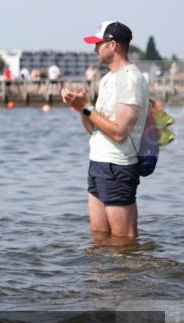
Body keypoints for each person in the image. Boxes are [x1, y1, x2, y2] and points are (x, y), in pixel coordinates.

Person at [60, 21, 149, 240]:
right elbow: (93, 129)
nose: (94, 49)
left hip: (118, 165)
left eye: (98, 43)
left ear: (113, 45)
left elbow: (119, 132)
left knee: (123, 240)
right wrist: (81, 108)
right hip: (98, 162)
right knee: (99, 236)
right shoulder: (108, 79)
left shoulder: (130, 79)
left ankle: (129, 274)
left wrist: (87, 107)